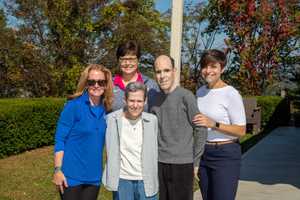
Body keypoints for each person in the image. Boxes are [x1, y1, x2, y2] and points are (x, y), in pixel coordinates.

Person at [149, 55, 207, 200]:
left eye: (166, 70)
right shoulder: (153, 99)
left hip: (183, 165)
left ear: (174, 71)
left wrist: (196, 161)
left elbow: (201, 128)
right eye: (158, 71)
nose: (162, 76)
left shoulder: (186, 96)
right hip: (159, 163)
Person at [52, 64, 113, 200]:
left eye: (101, 82)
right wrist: (57, 170)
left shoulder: (107, 110)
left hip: (94, 177)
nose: (96, 85)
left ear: (105, 84)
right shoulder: (73, 106)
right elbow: (60, 140)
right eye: (92, 82)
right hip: (70, 176)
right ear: (86, 83)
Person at [192, 49, 246, 200]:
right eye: (204, 66)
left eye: (213, 66)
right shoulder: (200, 92)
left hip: (225, 154)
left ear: (222, 68)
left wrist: (213, 124)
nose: (208, 71)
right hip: (204, 153)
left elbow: (241, 130)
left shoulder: (231, 94)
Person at [102, 82, 159, 200]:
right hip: (122, 180)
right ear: (125, 100)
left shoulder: (152, 121)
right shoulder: (111, 119)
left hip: (146, 180)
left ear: (145, 101)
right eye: (131, 101)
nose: (135, 105)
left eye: (139, 101)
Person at [112, 40, 159, 111]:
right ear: (118, 61)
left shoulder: (151, 85)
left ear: (138, 60)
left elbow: (156, 113)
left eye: (131, 59)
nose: (127, 63)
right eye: (123, 59)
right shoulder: (110, 84)